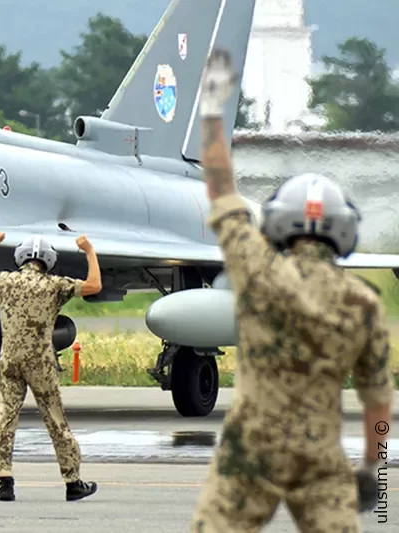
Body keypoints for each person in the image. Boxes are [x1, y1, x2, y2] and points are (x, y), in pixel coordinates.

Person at [190, 48, 394, 532]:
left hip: (250, 454)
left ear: (278, 223)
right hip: (319, 459)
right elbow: (378, 404)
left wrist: (213, 109)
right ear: (344, 231)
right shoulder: (364, 304)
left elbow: (220, 184)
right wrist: (373, 471)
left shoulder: (256, 270)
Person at [0, 231, 103, 502]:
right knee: (55, 420)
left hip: (9, 361)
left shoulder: (4, 281)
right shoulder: (55, 285)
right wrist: (89, 250)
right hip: (41, 364)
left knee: (5, 418)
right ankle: (73, 483)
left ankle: (4, 480)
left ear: (19, 258)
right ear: (49, 260)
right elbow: (94, 285)